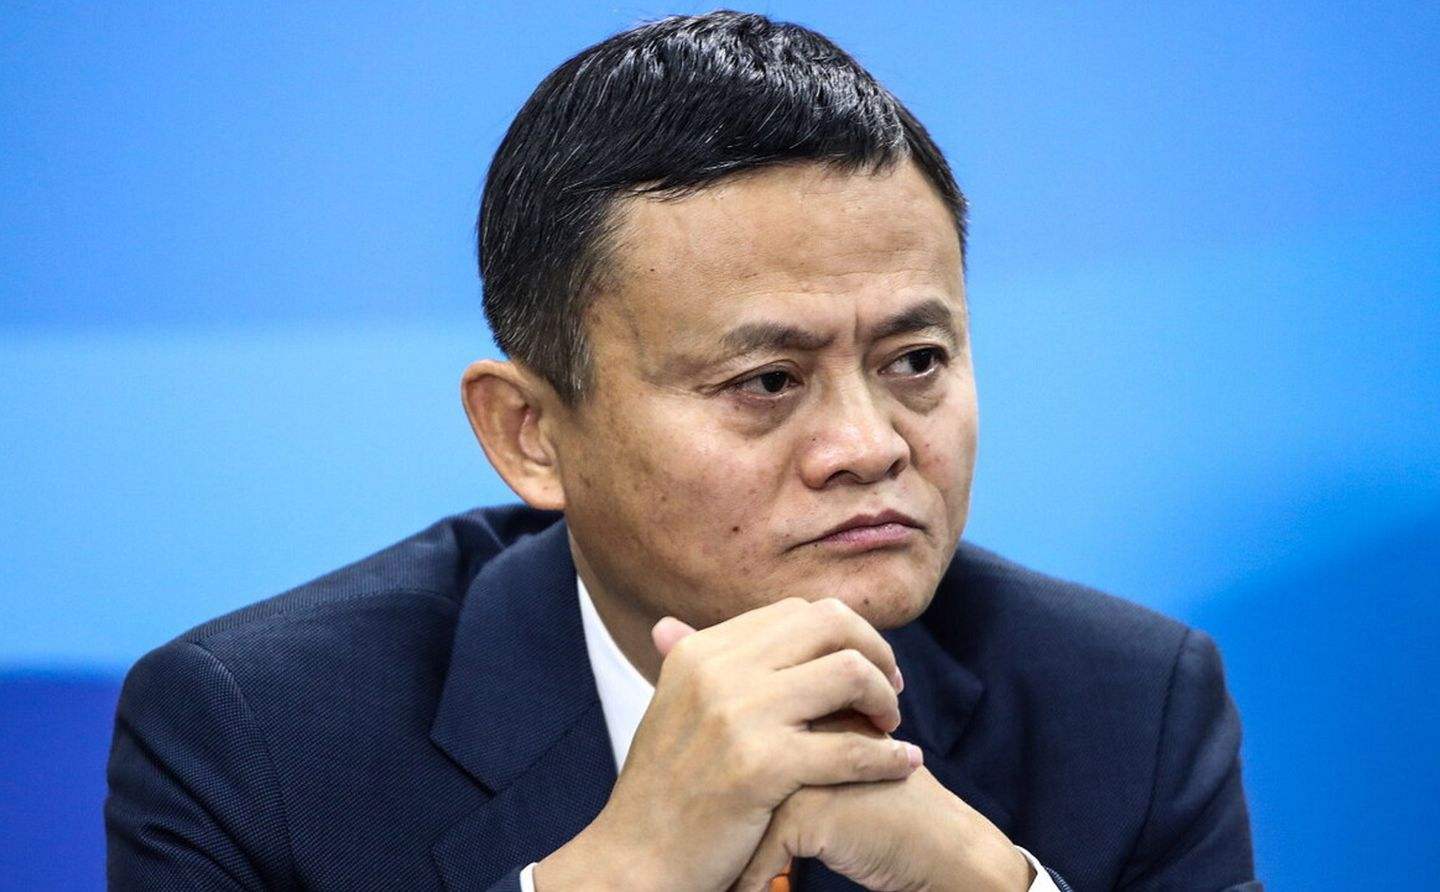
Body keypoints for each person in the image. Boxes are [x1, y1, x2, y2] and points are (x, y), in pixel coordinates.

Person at [104, 10, 1259, 891]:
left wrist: (983, 882)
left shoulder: (1129, 704)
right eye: (767, 382)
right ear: (530, 434)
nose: (868, 447)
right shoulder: (257, 737)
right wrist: (623, 872)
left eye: (915, 360)